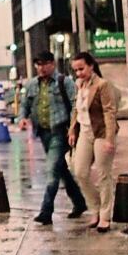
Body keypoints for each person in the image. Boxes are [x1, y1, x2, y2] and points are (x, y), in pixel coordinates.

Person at [18, 51, 86, 225]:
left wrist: (73, 128)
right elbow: (25, 104)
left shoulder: (64, 82)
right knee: (60, 169)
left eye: (44, 64)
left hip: (60, 131)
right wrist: (22, 119)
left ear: (52, 64)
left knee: (52, 170)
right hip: (43, 132)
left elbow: (74, 105)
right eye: (38, 64)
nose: (41, 68)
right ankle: (79, 202)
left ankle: (46, 211)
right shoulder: (32, 84)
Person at [68, 52, 118, 233]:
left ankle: (105, 216)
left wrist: (110, 139)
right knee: (79, 171)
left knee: (103, 174)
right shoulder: (78, 85)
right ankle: (95, 207)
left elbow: (109, 112)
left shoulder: (102, 85)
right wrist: (72, 130)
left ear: (91, 66)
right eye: (75, 70)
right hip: (85, 133)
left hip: (102, 132)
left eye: (81, 69)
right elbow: (76, 110)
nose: (78, 73)